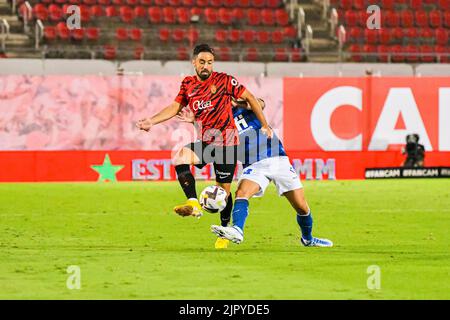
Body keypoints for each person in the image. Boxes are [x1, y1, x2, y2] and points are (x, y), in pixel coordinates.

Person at [136, 44, 272, 246]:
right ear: (194, 62)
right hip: (207, 141)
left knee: (223, 193)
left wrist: (265, 125)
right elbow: (175, 107)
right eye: (202, 62)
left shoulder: (224, 80)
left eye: (209, 62)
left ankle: (224, 231)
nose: (206, 66)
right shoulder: (188, 84)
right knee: (181, 157)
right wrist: (151, 121)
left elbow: (251, 98)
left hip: (227, 144)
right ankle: (193, 203)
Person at [178, 98, 333, 247]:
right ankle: (237, 229)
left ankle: (308, 239)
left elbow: (260, 103)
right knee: (241, 193)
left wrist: (236, 102)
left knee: (301, 206)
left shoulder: (244, 105)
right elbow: (210, 139)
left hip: (277, 158)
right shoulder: (217, 120)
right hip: (253, 164)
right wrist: (195, 122)